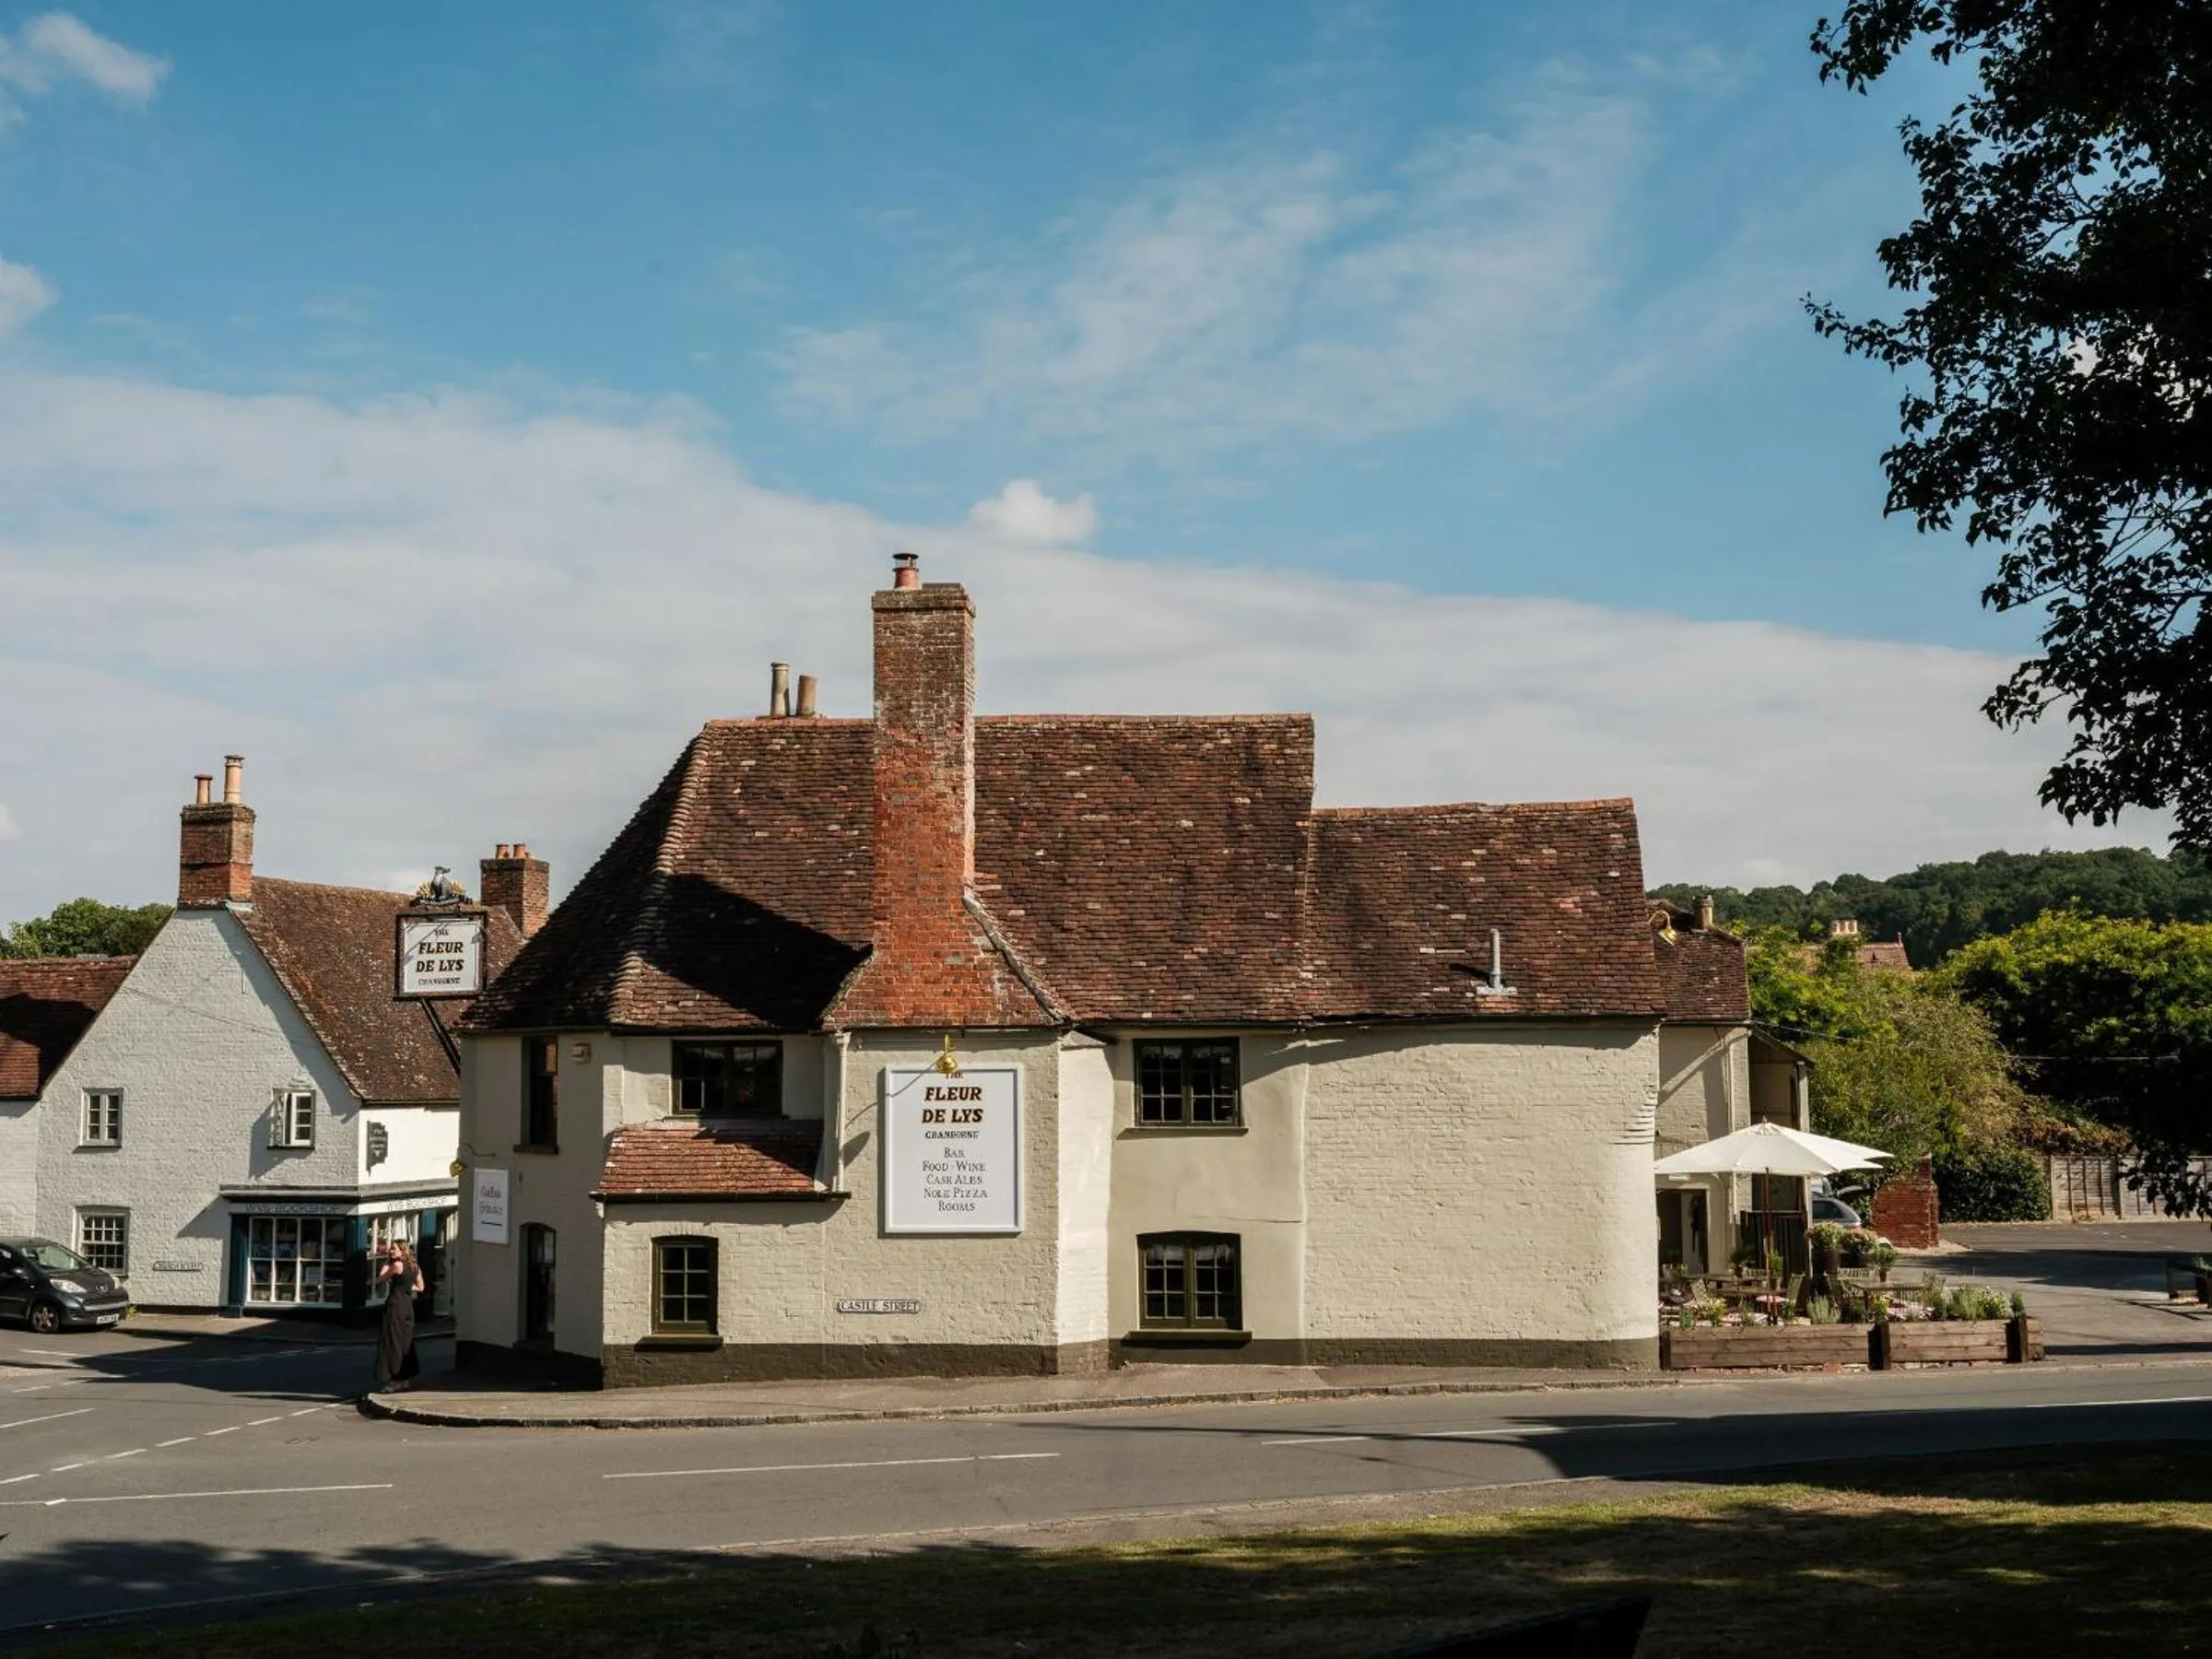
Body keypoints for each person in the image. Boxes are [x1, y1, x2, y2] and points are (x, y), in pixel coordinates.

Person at [374, 1240, 424, 1394]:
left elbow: (381, 1278)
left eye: (394, 1249)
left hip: (395, 1307)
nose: (391, 1251)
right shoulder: (415, 1267)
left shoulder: (396, 1266)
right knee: (406, 1343)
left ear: (402, 1251)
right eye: (390, 1249)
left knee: (393, 1343)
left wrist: (387, 1263)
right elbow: (421, 1287)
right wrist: (407, 1287)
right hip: (408, 1307)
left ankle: (395, 1381)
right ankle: (405, 1380)